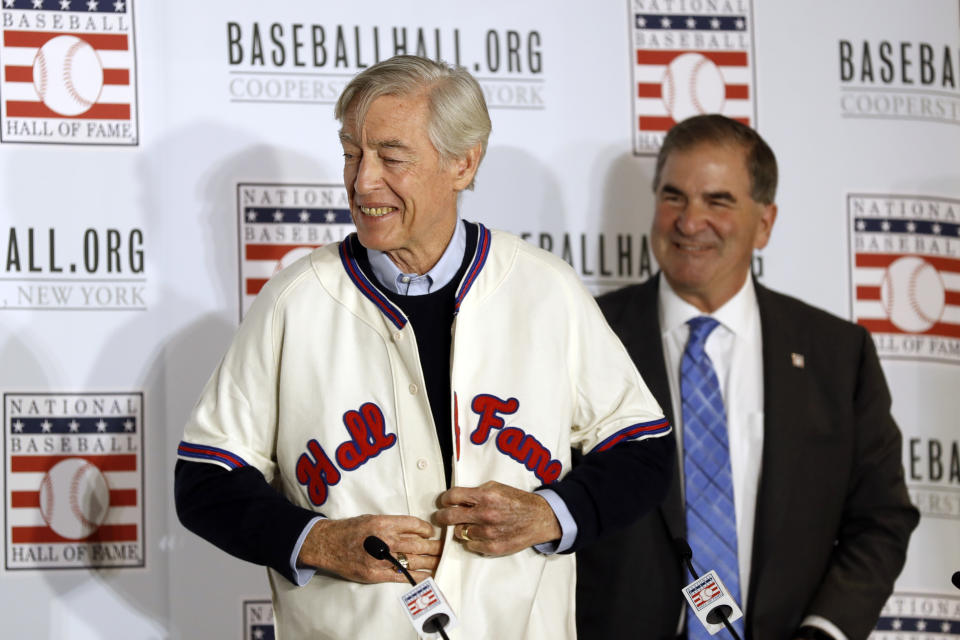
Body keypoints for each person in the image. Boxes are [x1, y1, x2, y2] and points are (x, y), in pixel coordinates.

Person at [174, 55, 674, 639]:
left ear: (463, 163)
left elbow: (642, 448)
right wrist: (317, 541)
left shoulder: (545, 289)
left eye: (392, 157)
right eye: (352, 154)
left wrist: (550, 513)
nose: (363, 182)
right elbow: (206, 479)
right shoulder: (295, 299)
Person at [576, 114, 919, 640]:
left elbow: (881, 519)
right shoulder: (584, 336)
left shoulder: (836, 354)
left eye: (718, 201)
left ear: (764, 222)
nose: (690, 222)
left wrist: (826, 631)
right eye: (673, 197)